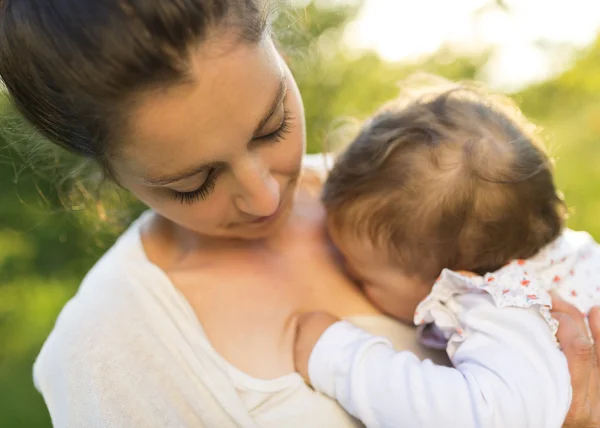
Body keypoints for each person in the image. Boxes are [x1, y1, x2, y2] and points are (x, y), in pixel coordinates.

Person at [0, 1, 598, 426]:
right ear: (107, 169)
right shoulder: (109, 353)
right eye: (194, 182)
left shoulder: (401, 188)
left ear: (279, 50)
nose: (265, 198)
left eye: (273, 125)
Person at [292, 82, 600, 427]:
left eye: (362, 275)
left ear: (452, 281)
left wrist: (337, 357)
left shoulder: (505, 306)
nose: (346, 275)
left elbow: (480, 416)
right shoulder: (566, 259)